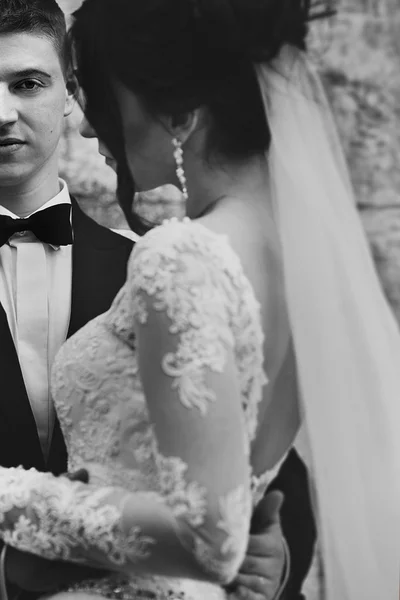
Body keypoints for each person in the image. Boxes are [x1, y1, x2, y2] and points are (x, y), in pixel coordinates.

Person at [1, 0, 397, 599]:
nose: (89, 124)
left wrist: (271, 563)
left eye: (31, 83)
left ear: (181, 112)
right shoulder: (296, 257)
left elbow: (234, 522)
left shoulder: (170, 259)